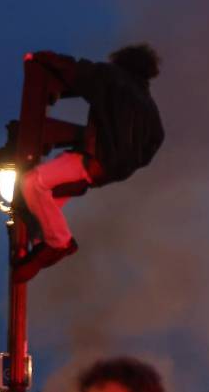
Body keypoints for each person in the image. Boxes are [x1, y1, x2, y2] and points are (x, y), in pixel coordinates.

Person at [13, 44, 165, 282]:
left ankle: (58, 242)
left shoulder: (112, 78)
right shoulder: (149, 104)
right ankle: (41, 238)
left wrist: (41, 58)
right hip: (112, 170)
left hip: (94, 159)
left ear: (121, 60)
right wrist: (129, 161)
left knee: (32, 183)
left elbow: (78, 71)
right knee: (48, 197)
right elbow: (157, 139)